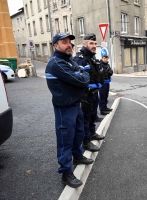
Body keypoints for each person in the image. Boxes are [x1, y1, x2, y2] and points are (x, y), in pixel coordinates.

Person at [45, 32, 93, 188]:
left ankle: (77, 156)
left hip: (75, 104)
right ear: (55, 45)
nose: (68, 45)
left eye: (69, 42)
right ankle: (66, 173)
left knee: (78, 133)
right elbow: (81, 79)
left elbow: (84, 74)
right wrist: (82, 76)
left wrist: (82, 75)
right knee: (65, 140)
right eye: (64, 42)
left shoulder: (68, 61)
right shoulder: (57, 63)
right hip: (64, 108)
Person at [72, 33, 105, 154]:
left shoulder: (92, 58)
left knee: (92, 116)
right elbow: (76, 77)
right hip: (85, 95)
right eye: (91, 43)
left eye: (95, 43)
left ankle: (92, 133)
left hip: (94, 93)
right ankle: (86, 141)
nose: (94, 46)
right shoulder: (80, 58)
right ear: (84, 44)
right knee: (85, 119)